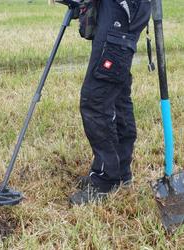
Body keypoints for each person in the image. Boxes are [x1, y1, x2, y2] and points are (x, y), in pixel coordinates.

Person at [70, 0, 152, 205]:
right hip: (122, 8)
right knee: (117, 95)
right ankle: (120, 171)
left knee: (95, 100)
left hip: (122, 7)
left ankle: (106, 180)